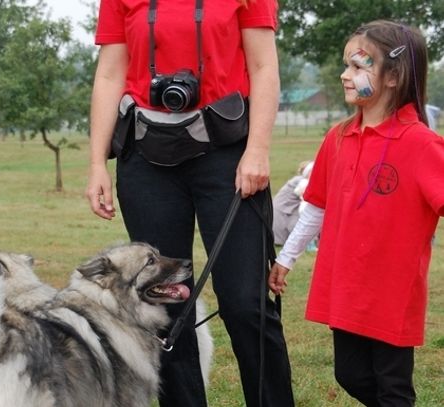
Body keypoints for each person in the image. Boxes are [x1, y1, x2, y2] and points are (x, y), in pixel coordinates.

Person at [86, 1, 294, 406]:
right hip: (145, 157)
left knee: (245, 303)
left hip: (227, 152)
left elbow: (264, 67)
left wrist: (258, 150)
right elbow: (110, 73)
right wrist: (96, 162)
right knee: (164, 303)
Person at [269, 20, 444, 407]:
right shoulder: (338, 137)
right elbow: (315, 205)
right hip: (346, 286)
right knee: (349, 374)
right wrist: (287, 256)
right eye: (346, 65)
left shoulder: (422, 144)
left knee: (393, 388)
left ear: (394, 76)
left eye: (359, 66)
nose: (345, 75)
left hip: (393, 294)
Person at [272, 160, 314, 245]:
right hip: (284, 212)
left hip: (286, 211)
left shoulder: (299, 180)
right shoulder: (302, 182)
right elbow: (308, 201)